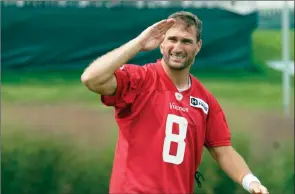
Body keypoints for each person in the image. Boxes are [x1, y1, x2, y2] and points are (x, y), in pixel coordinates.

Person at [81, 11, 269, 194]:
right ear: (161, 43)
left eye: (186, 41)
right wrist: (139, 43)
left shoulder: (205, 100)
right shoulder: (139, 79)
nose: (178, 48)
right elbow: (91, 78)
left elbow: (223, 150)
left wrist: (252, 182)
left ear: (198, 46)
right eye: (172, 39)